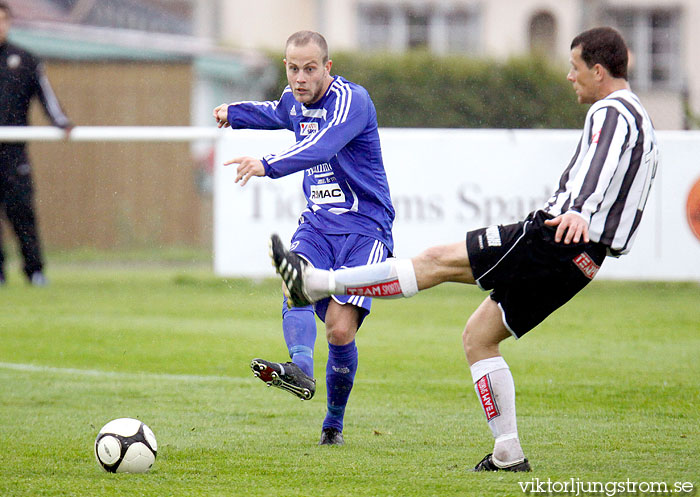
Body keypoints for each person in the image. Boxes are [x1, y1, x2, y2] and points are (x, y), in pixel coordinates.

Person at [270, 26, 658, 469]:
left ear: (599, 70)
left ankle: (320, 282)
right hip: (586, 260)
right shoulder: (642, 118)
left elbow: (601, 164)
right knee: (479, 337)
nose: (570, 77)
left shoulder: (613, 111)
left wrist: (581, 210)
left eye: (574, 68)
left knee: (435, 262)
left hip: (554, 236)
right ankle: (508, 452)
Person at [213, 31, 395, 445]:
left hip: (364, 226)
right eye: (293, 68)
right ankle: (300, 369)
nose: (301, 77)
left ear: (327, 68)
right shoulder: (294, 97)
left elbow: (320, 145)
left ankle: (333, 424)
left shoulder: (353, 101)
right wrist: (234, 113)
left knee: (339, 330)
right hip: (317, 223)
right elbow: (276, 112)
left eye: (310, 68)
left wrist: (266, 164)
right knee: (293, 280)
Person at [0, 1, 72, 286]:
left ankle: (35, 271)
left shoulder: (25, 59)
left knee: (22, 212)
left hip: (14, 152)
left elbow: (46, 97)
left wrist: (61, 121)